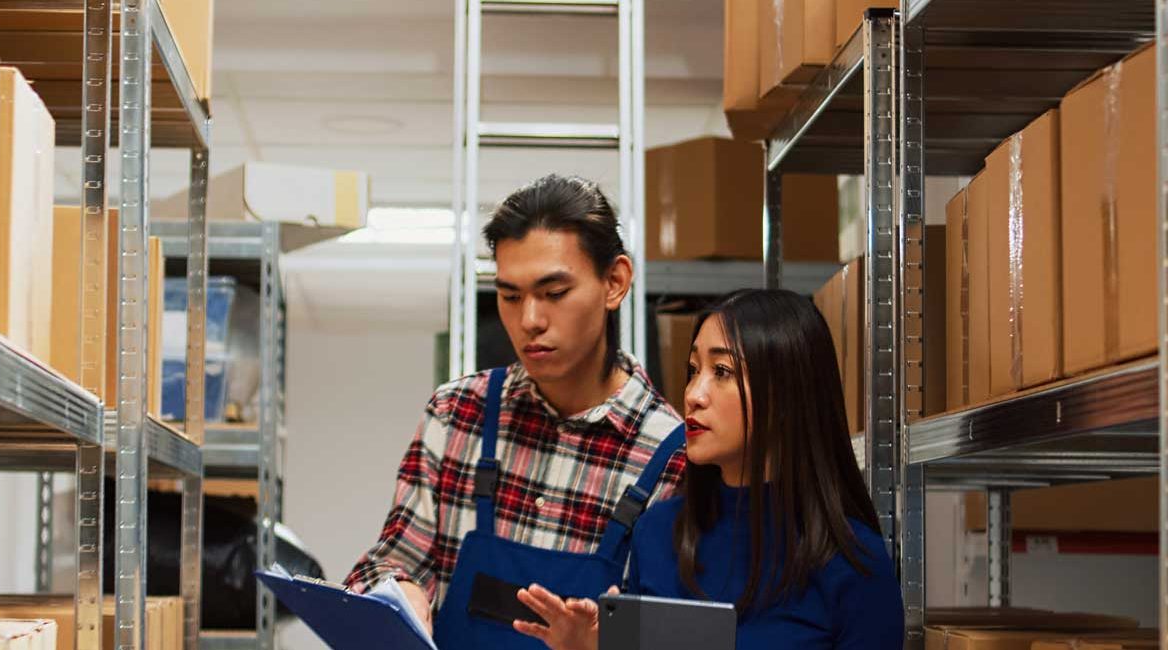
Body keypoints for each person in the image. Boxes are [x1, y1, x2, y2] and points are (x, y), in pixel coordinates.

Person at [343, 174, 687, 649]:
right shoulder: (457, 414)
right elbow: (386, 562)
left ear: (615, 282)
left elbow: (675, 637)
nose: (529, 320)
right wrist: (397, 591)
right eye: (510, 296)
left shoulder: (674, 457)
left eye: (554, 293)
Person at [513, 289, 905, 649]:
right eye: (693, 370)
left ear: (787, 395)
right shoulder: (657, 533)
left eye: (722, 372)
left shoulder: (854, 563)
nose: (693, 395)